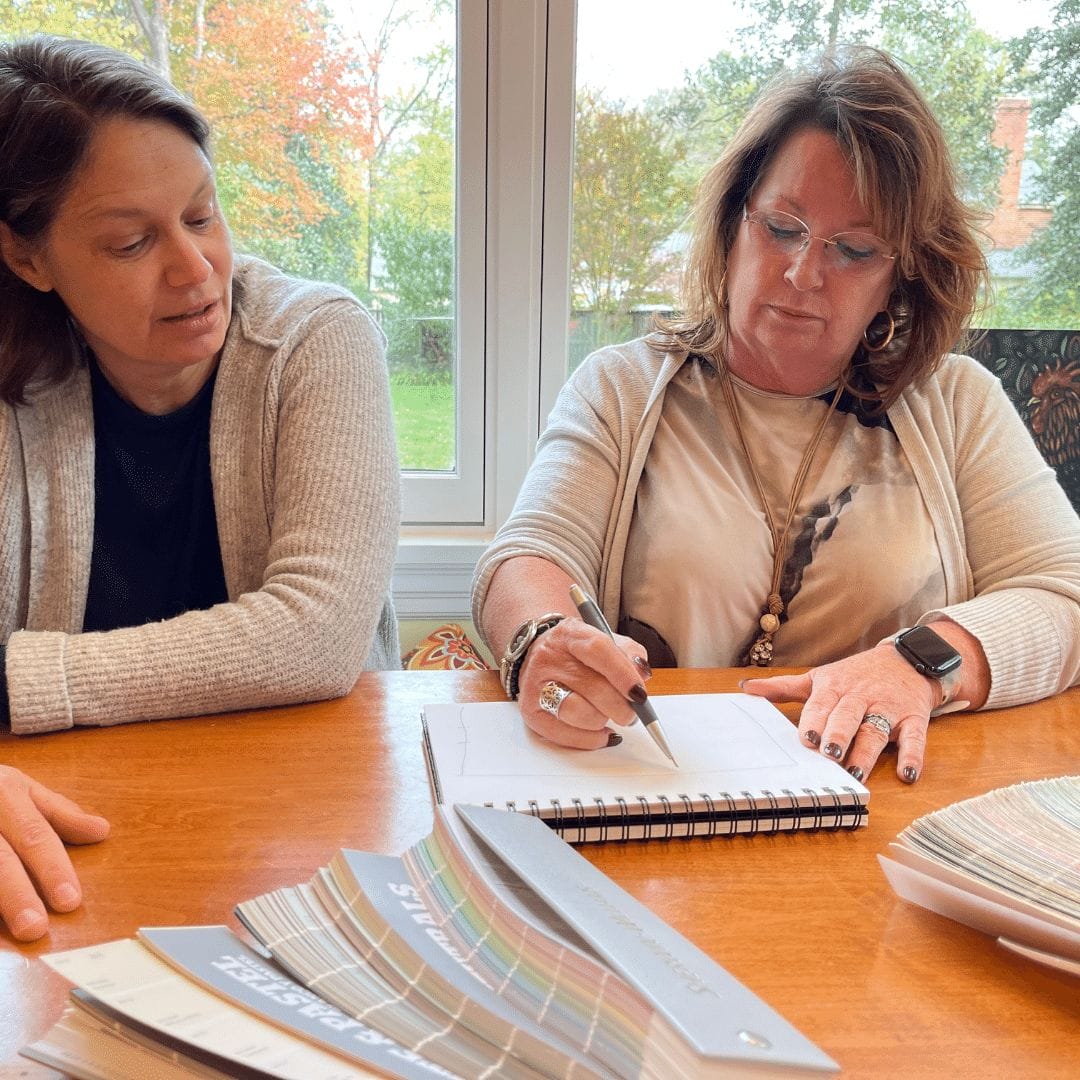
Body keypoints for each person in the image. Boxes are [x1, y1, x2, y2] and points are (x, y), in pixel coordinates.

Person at [473, 48, 1080, 786]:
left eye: (853, 250)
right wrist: (543, 638)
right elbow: (527, 556)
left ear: (900, 275)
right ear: (733, 225)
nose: (802, 274)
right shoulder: (622, 387)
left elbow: (1065, 598)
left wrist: (919, 663)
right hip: (652, 791)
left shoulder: (957, 403)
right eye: (781, 228)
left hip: (887, 802)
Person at [0, 36, 401, 941]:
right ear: (29, 259)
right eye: (132, 241)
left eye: (202, 214)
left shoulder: (318, 340)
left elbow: (318, 634)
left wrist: (15, 680)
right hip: (72, 837)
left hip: (315, 840)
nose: (193, 270)